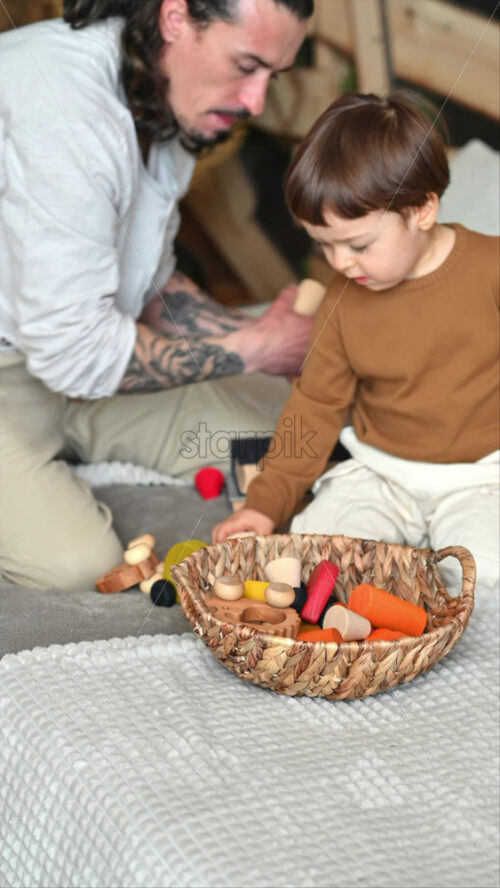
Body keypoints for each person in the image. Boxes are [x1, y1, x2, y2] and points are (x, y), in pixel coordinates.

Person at [0, 0, 315, 590]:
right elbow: (72, 353)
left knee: (289, 437)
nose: (256, 103)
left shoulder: (165, 95)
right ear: (176, 18)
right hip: (18, 371)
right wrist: (254, 348)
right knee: (76, 568)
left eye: (273, 76)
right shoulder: (69, 110)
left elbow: (151, 282)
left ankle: (68, 449)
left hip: (87, 364)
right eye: (246, 65)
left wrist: (267, 343)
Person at [213, 91, 500, 594]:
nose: (340, 263)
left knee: (486, 579)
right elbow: (315, 405)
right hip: (380, 472)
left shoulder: (490, 270)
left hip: (482, 476)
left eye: (359, 245)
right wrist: (265, 501)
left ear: (423, 209)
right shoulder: (342, 299)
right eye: (323, 244)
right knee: (321, 559)